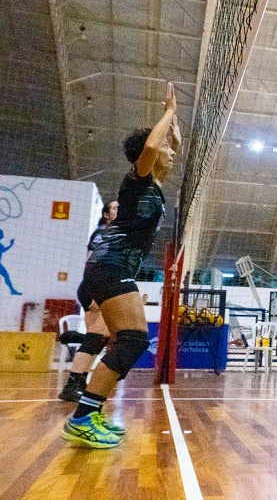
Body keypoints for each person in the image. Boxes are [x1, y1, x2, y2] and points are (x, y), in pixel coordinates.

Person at [61, 82, 180, 448]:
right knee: (133, 340)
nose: (170, 153)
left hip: (110, 267)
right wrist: (169, 112)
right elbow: (150, 147)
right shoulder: (136, 179)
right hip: (111, 265)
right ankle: (82, 416)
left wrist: (174, 132)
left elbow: (166, 147)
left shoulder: (154, 182)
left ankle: (89, 412)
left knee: (124, 341)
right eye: (165, 149)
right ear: (150, 154)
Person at [58, 200, 118, 402]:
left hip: (100, 288)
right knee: (96, 337)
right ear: (106, 214)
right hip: (94, 287)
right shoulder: (103, 232)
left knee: (99, 337)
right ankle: (72, 385)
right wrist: (93, 290)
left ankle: (80, 380)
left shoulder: (114, 233)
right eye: (114, 208)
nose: (118, 210)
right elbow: (92, 262)